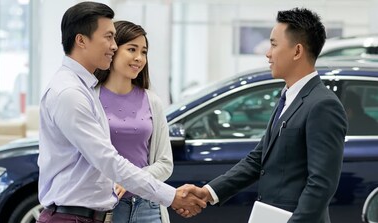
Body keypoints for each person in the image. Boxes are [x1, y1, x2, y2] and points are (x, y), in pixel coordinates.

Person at [37, 2, 205, 222]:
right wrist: (172, 196)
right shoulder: (71, 93)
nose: (114, 46)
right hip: (73, 217)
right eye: (108, 37)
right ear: (81, 40)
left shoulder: (83, 88)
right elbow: (108, 160)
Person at [178, 7, 348, 223]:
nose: (268, 53)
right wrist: (210, 192)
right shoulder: (289, 97)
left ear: (297, 51)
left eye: (274, 44)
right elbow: (258, 159)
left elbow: (321, 185)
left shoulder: (322, 105)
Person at [92, 20, 172, 223]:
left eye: (143, 52)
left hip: (148, 207)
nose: (139, 58)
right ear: (112, 50)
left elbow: (165, 164)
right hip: (105, 208)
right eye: (131, 49)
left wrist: (130, 180)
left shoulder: (152, 100)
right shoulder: (90, 98)